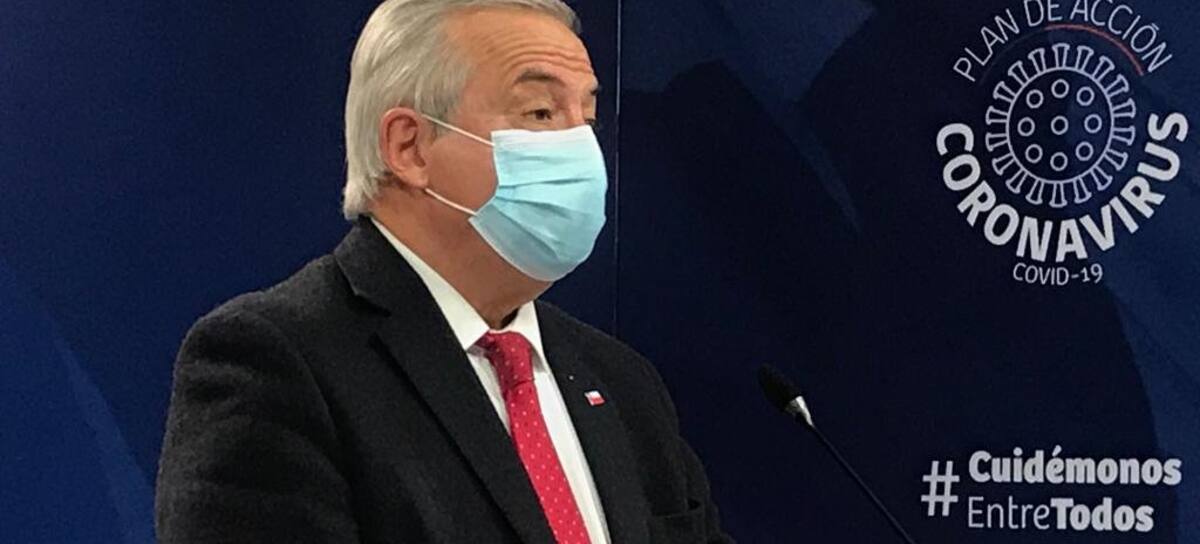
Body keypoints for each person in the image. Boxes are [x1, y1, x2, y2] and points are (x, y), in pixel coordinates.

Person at [154, 1, 732, 542]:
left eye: (588, 117)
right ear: (409, 147)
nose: (582, 148)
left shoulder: (623, 382)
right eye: (541, 112)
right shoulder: (277, 361)